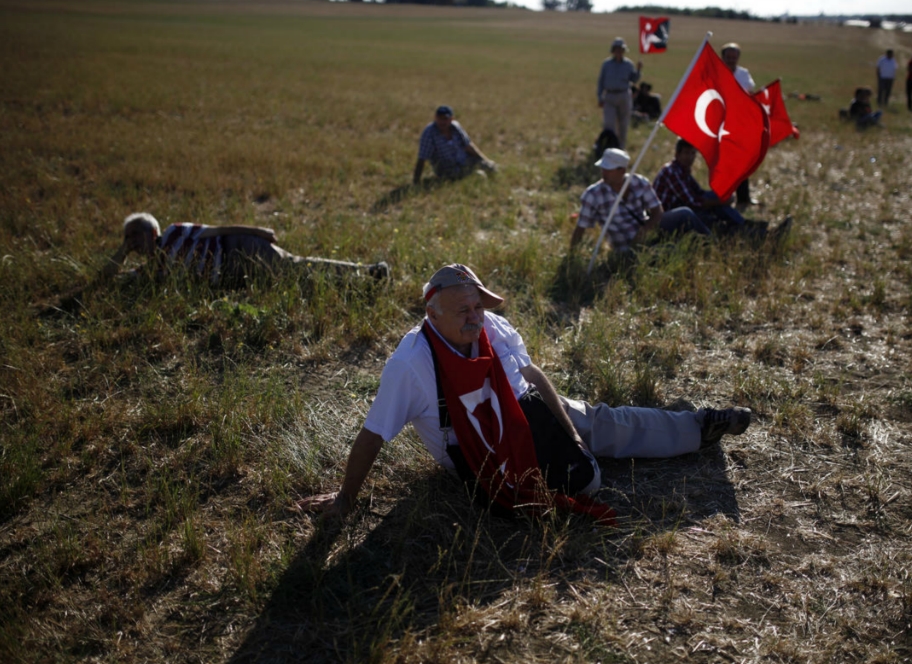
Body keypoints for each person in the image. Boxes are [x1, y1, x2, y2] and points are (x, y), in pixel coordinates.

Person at [296, 263, 752, 521]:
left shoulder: (492, 326)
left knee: (601, 421)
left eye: (478, 305)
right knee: (578, 483)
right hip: (483, 454)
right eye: (462, 310)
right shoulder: (411, 364)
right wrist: (345, 499)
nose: (475, 317)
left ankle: (699, 427)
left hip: (529, 409)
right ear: (432, 315)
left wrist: (570, 428)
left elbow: (532, 375)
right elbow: (373, 434)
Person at [102, 213, 389, 283]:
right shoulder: (153, 270)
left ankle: (365, 273)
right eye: (129, 238)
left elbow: (219, 230)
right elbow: (107, 280)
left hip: (238, 248)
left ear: (152, 232)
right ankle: (360, 276)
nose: (134, 242)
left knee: (297, 266)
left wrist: (257, 231)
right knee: (298, 279)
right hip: (234, 276)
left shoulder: (175, 232)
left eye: (136, 235)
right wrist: (123, 251)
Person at [570, 148, 710, 253]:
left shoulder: (639, 182)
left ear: (622, 170)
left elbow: (657, 212)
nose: (604, 173)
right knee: (671, 250)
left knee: (684, 214)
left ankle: (710, 244)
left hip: (648, 230)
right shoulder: (593, 194)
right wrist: (572, 255)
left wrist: (645, 230)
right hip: (626, 246)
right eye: (603, 168)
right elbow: (581, 227)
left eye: (609, 169)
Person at [652, 139, 792, 240]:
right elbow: (693, 202)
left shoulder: (682, 170)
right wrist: (720, 201)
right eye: (687, 153)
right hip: (668, 218)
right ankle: (749, 233)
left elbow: (699, 193)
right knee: (714, 215)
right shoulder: (671, 172)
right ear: (677, 154)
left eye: (693, 154)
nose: (690, 157)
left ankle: (751, 229)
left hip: (682, 210)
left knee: (717, 202)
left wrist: (720, 197)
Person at [413, 105, 496, 184]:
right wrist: (416, 181)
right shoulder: (429, 133)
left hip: (464, 160)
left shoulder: (456, 127)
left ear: (451, 119)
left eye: (445, 119)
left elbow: (468, 146)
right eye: (440, 118)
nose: (442, 122)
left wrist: (485, 160)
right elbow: (422, 159)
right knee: (479, 175)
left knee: (492, 167)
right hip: (448, 169)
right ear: (435, 118)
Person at [721, 42, 757, 208]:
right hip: (720, 124)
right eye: (728, 57)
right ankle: (723, 197)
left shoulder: (744, 74)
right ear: (723, 57)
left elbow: (750, 91)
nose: (731, 60)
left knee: (742, 161)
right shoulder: (717, 72)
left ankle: (743, 198)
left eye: (734, 57)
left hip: (740, 123)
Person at [597, 37, 642, 150]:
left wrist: (639, 70)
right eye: (616, 49)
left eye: (621, 49)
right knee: (609, 124)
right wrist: (600, 97)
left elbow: (634, 79)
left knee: (623, 125)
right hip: (610, 96)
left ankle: (621, 148)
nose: (619, 51)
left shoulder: (628, 65)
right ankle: (609, 147)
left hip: (624, 95)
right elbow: (601, 81)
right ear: (613, 50)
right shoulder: (606, 64)